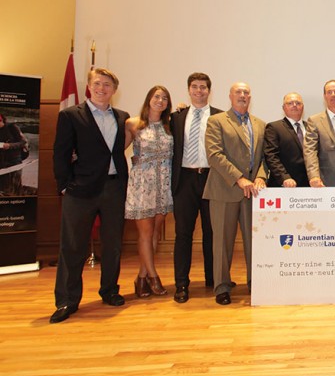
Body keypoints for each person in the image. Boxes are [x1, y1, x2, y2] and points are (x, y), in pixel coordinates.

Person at [50, 68, 129, 323]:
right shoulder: (71, 115)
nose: (102, 88)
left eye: (107, 85)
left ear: (114, 90)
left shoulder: (121, 117)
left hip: (114, 188)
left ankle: (109, 291)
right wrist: (64, 186)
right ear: (89, 86)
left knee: (113, 245)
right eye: (97, 83)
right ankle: (67, 300)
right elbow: (60, 154)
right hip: (80, 190)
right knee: (73, 247)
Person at [203, 82, 267, 305]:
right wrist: (239, 178)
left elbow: (264, 158)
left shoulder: (260, 124)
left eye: (246, 92)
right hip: (225, 189)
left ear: (251, 97)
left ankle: (254, 282)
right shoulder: (216, 121)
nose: (242, 95)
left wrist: (261, 176)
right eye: (238, 92)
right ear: (230, 96)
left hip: (253, 193)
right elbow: (214, 155)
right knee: (222, 241)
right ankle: (221, 286)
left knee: (254, 241)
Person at [170, 72, 223, 303]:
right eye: (194, 87)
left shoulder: (221, 116)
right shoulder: (177, 117)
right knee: (183, 233)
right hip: (185, 179)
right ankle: (181, 284)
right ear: (189, 90)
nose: (199, 91)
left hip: (212, 179)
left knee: (212, 232)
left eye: (203, 87)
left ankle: (213, 280)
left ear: (209, 91)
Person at [124, 85, 174, 298]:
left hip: (163, 183)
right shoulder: (133, 124)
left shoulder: (170, 126)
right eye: (156, 96)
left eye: (164, 98)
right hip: (142, 184)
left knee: (154, 232)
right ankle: (153, 277)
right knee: (145, 233)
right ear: (148, 99)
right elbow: (117, 150)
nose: (160, 101)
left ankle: (140, 278)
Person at [264, 92, 310, 188]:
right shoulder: (274, 127)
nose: (294, 105)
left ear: (303, 107)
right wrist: (284, 177)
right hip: (284, 186)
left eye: (298, 103)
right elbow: (271, 156)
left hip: (309, 186)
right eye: (290, 103)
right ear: (283, 108)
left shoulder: (311, 127)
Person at [0, 112, 29, 196]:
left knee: (15, 186)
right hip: (2, 162)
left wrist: (10, 145)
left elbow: (23, 142)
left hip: (14, 161)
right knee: (4, 188)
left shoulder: (11, 127)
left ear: (1, 121)